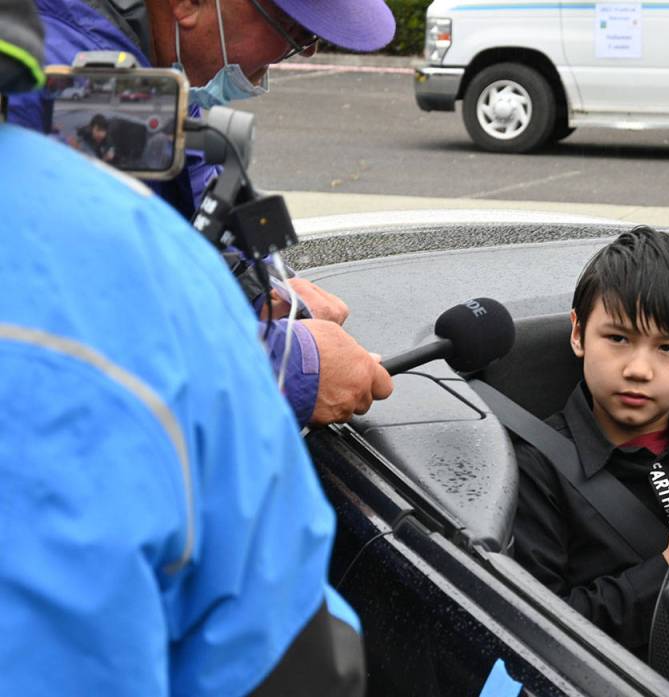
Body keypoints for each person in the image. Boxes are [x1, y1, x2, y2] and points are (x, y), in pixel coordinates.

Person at [0, 7, 367, 694]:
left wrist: (253, 290)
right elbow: (293, 652)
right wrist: (292, 366)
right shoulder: (63, 106)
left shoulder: (112, 73)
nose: (292, 57)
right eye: (294, 32)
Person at [7, 0, 396, 427]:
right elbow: (68, 334)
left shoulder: (139, 60)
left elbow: (194, 190)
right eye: (292, 31)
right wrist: (280, 369)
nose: (305, 51)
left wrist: (258, 289)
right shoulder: (38, 84)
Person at [513, 225, 669, 656]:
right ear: (578, 334)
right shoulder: (536, 465)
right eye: (618, 339)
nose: (639, 369)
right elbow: (542, 628)